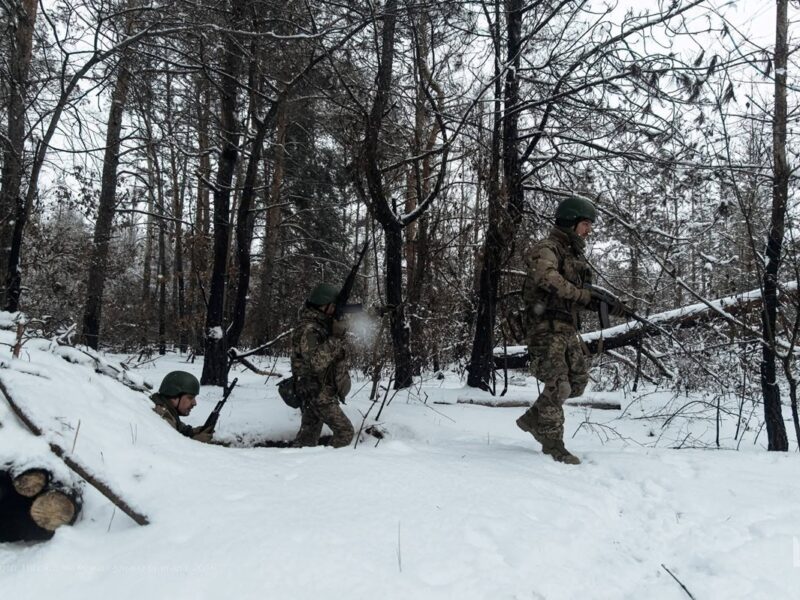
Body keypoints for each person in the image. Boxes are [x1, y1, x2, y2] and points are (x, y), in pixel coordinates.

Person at [515, 196, 622, 464]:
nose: (589, 230)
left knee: (577, 382)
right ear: (570, 222)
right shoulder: (547, 248)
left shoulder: (574, 256)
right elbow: (547, 278)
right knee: (559, 384)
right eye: (585, 224)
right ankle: (552, 443)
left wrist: (607, 305)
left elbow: (576, 294)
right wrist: (582, 297)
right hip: (544, 329)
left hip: (565, 329)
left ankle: (533, 418)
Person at [291, 283, 354, 448]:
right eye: (332, 306)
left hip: (317, 390)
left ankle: (297, 467)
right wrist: (336, 338)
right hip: (317, 393)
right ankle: (327, 468)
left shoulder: (321, 325)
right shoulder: (309, 329)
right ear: (322, 306)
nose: (334, 309)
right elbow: (315, 363)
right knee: (345, 432)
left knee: (307, 439)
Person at [151, 371, 214, 443]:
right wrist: (195, 442)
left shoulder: (167, 410)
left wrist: (193, 432)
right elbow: (167, 448)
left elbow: (179, 428)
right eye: (190, 398)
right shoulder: (160, 416)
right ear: (173, 396)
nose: (194, 403)